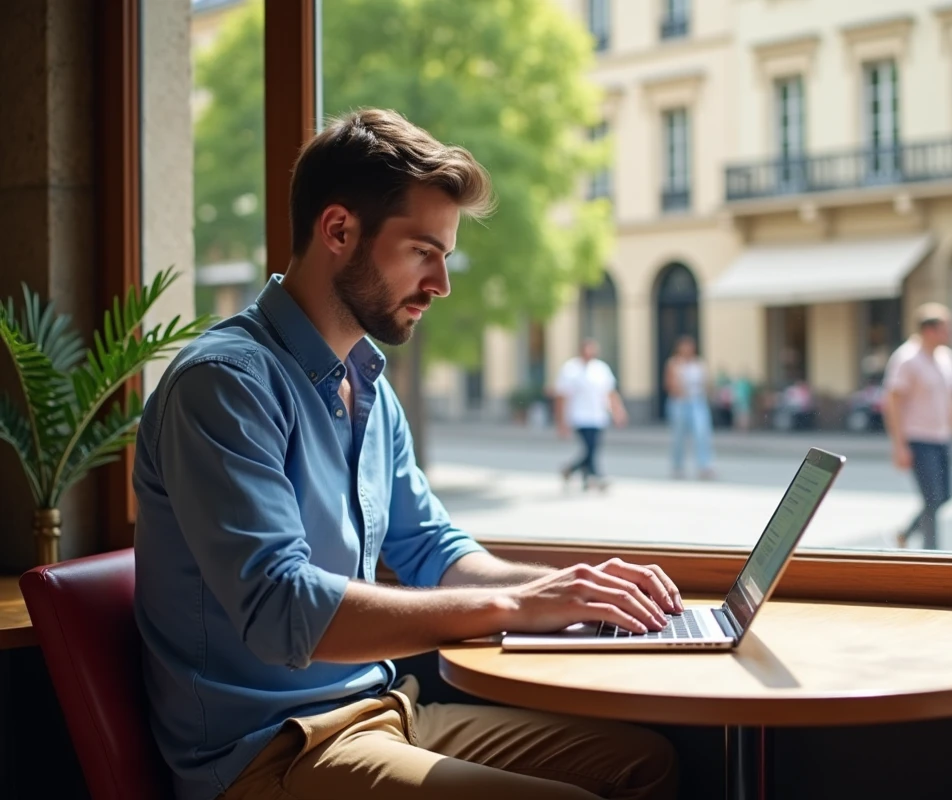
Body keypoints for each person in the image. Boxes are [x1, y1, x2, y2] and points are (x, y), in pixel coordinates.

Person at [132, 108, 679, 800]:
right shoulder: (223, 385)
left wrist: (568, 594)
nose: (441, 284)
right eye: (423, 251)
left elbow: (431, 548)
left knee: (644, 763)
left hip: (386, 711)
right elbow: (280, 607)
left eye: (444, 256)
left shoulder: (368, 387)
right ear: (338, 231)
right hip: (267, 753)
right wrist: (514, 605)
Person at [882, 302, 952, 550]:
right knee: (932, 500)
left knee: (945, 496)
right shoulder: (906, 359)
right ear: (929, 330)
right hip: (918, 438)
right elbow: (892, 404)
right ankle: (932, 556)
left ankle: (905, 533)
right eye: (947, 328)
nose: (951, 333)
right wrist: (899, 446)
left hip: (942, 437)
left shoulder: (947, 358)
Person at [554, 338, 628, 491]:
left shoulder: (601, 368)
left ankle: (576, 473)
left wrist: (618, 411)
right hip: (578, 416)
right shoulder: (570, 369)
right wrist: (561, 422)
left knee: (592, 449)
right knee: (590, 448)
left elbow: (610, 392)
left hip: (598, 416)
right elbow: (561, 397)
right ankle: (598, 476)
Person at [663, 335, 715, 479]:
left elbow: (707, 382)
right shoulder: (673, 363)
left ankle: (705, 466)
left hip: (697, 401)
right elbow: (669, 384)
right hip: (679, 402)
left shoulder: (699, 364)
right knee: (678, 436)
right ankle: (677, 466)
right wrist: (680, 390)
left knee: (702, 433)